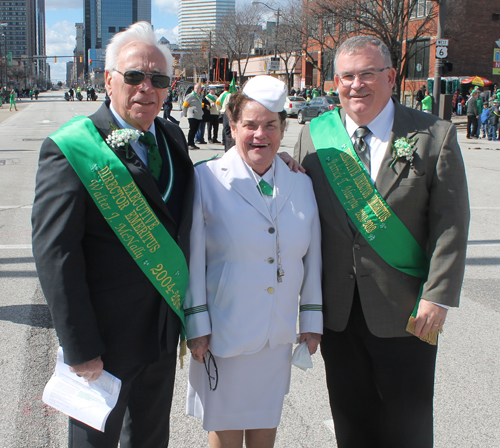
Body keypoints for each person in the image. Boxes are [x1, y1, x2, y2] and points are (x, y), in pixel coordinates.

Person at [293, 36, 469, 448]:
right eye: (348, 76)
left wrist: (437, 296)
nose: (357, 85)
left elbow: (451, 223)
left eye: (368, 74)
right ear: (335, 82)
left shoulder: (432, 134)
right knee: (352, 425)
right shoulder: (315, 137)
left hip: (408, 311)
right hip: (339, 312)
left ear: (390, 77)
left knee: (408, 428)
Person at [32, 21, 194, 448]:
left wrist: (279, 162)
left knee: (150, 440)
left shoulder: (173, 136)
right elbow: (56, 254)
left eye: (158, 79)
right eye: (134, 76)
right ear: (108, 79)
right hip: (101, 345)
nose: (146, 88)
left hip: (160, 335)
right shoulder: (72, 149)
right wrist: (80, 345)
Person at [185, 75, 323, 448]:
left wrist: (311, 320)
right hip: (224, 331)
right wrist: (196, 324)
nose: (260, 134)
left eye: (270, 125)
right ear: (232, 127)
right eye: (250, 125)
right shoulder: (206, 179)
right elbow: (193, 259)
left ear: (282, 129)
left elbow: (312, 258)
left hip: (276, 335)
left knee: (266, 427)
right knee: (225, 430)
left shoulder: (301, 183)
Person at [182, 83, 203, 150]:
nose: (197, 89)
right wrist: (185, 113)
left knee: (195, 130)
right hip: (192, 115)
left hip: (198, 115)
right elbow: (184, 105)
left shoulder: (199, 96)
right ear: (194, 88)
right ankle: (189, 143)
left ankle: (193, 143)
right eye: (196, 88)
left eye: (198, 88)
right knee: (192, 129)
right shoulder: (190, 96)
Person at [217, 83, 234, 151]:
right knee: (227, 127)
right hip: (227, 111)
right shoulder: (229, 95)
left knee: (224, 127)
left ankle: (223, 140)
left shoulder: (222, 94)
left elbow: (217, 101)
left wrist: (219, 110)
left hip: (222, 111)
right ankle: (225, 140)